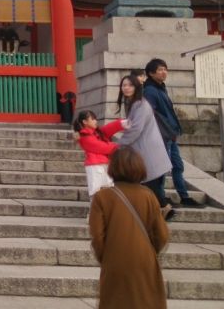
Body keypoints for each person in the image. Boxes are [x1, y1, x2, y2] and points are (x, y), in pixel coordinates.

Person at [89, 147, 169, 309]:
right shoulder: (149, 196)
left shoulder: (102, 197)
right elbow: (162, 234)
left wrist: (106, 257)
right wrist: (149, 251)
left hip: (114, 260)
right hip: (145, 260)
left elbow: (97, 236)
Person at [144, 58, 204, 208]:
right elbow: (149, 114)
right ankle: (161, 198)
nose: (164, 72)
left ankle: (184, 196)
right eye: (160, 69)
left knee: (177, 165)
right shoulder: (150, 90)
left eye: (165, 69)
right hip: (162, 136)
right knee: (162, 168)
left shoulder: (160, 88)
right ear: (151, 73)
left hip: (170, 134)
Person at [116, 74, 175, 220]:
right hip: (144, 149)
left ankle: (164, 208)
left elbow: (136, 129)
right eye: (124, 85)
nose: (126, 88)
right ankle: (160, 208)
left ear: (136, 87)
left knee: (149, 181)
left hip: (148, 150)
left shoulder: (140, 104)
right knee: (148, 181)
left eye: (130, 85)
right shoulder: (134, 103)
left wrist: (119, 144)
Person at [72, 110, 127, 199]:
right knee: (97, 193)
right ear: (85, 122)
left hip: (103, 165)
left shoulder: (95, 133)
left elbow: (108, 129)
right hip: (95, 167)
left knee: (109, 192)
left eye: (95, 119)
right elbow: (102, 147)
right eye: (92, 119)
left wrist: (121, 124)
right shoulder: (84, 137)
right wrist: (120, 145)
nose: (95, 121)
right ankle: (95, 212)